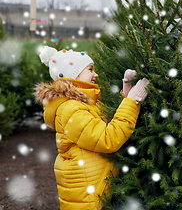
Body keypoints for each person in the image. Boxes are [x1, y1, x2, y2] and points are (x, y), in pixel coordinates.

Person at [33, 46, 149, 210]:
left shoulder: (82, 104)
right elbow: (108, 139)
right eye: (90, 69)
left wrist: (126, 94)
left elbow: (104, 124)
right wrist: (133, 101)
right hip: (88, 197)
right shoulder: (71, 109)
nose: (96, 74)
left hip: (94, 186)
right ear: (74, 75)